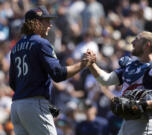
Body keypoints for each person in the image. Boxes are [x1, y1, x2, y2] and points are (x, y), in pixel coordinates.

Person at [9, 6, 95, 135]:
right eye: (46, 21)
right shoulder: (41, 43)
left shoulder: (16, 48)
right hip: (34, 104)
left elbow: (12, 83)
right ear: (36, 23)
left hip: (16, 106)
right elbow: (58, 74)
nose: (50, 25)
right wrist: (83, 64)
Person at [88, 31, 152, 135]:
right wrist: (91, 64)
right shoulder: (130, 67)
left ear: (146, 45)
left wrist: (146, 104)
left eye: (137, 40)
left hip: (145, 126)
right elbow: (106, 80)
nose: (132, 43)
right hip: (126, 123)